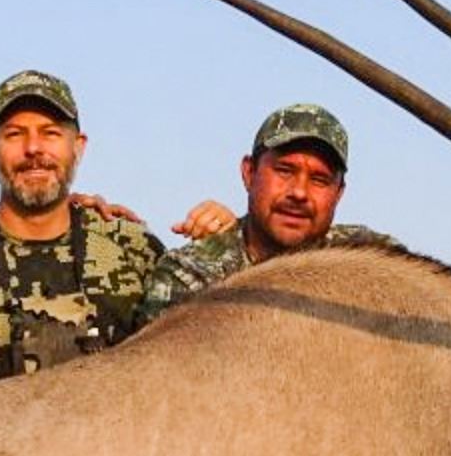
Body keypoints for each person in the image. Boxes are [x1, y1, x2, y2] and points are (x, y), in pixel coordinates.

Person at [0, 70, 231, 394]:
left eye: (50, 133)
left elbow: (195, 365)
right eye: (15, 134)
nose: (33, 149)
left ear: (78, 146)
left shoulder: (133, 247)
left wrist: (228, 239)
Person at [135, 103, 393, 325]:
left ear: (338, 194)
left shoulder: (372, 258)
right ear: (249, 173)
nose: (299, 193)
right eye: (284, 170)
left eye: (319, 179)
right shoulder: (190, 273)